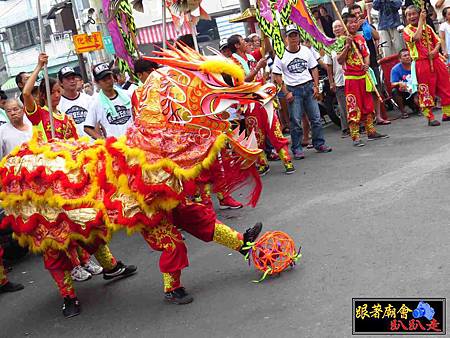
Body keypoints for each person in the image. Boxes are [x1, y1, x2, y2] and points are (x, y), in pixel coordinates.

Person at [228, 34, 296, 175]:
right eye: (243, 41)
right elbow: (242, 81)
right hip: (250, 102)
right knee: (256, 134)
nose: (246, 43)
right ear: (236, 46)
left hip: (264, 98)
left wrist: (265, 32)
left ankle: (287, 160)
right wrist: (258, 67)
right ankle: (262, 163)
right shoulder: (232, 63)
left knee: (274, 128)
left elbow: (268, 50)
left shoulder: (251, 57)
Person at [273, 24, 332, 158]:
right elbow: (276, 74)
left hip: (308, 86)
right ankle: (297, 148)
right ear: (285, 38)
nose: (293, 38)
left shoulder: (306, 51)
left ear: (299, 37)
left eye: (295, 35)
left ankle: (319, 143)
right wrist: (285, 91)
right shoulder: (281, 54)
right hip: (293, 90)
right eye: (290, 36)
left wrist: (316, 86)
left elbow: (314, 68)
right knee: (295, 121)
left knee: (316, 118)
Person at [337, 14, 388, 146]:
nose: (353, 25)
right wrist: (347, 45)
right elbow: (339, 60)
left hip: (363, 77)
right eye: (350, 23)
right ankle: (355, 136)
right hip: (351, 79)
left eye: (355, 22)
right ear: (344, 25)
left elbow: (366, 54)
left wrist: (366, 64)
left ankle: (371, 131)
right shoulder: (340, 40)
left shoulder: (360, 38)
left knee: (368, 104)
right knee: (353, 106)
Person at [403, 6, 450, 126]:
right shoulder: (407, 30)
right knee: (426, 89)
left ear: (419, 14)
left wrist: (435, 51)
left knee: (445, 84)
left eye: (414, 14)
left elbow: (438, 41)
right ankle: (429, 116)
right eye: (409, 15)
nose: (412, 16)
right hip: (421, 62)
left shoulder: (428, 27)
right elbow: (417, 37)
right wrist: (420, 22)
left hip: (435, 59)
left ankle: (447, 113)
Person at [349, 4, 391, 125]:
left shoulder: (367, 25)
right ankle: (364, 119)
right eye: (355, 13)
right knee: (362, 92)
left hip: (372, 62)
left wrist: (366, 25)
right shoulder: (350, 29)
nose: (357, 15)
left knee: (375, 89)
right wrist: (356, 26)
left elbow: (377, 36)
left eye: (359, 13)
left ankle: (378, 116)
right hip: (358, 65)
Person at [23, 53, 78, 141]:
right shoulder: (38, 114)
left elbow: (76, 143)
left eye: (59, 91)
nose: (57, 95)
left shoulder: (67, 119)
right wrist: (39, 66)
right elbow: (26, 93)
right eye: (52, 92)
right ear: (43, 95)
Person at [84, 63, 134, 139]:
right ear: (97, 82)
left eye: (109, 78)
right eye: (104, 80)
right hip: (114, 147)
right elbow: (87, 127)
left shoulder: (127, 95)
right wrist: (102, 141)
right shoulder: (96, 103)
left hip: (134, 143)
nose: (108, 81)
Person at [325, 20, 349, 137]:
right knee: (343, 105)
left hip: (352, 76)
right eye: (335, 27)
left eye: (339, 26)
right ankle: (346, 128)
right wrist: (331, 81)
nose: (337, 29)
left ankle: (360, 125)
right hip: (339, 79)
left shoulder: (349, 40)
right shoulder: (331, 45)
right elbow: (329, 66)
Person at [58, 66, 95, 138]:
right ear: (61, 83)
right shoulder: (58, 105)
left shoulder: (89, 99)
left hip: (92, 145)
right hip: (73, 147)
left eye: (73, 78)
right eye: (68, 79)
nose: (72, 81)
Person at [390, 49, 420, 118]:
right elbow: (392, 83)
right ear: (400, 59)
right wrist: (399, 83)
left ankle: (419, 107)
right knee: (394, 91)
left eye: (409, 55)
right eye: (405, 56)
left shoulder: (416, 65)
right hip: (404, 91)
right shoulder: (395, 69)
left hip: (416, 90)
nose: (407, 57)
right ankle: (403, 112)